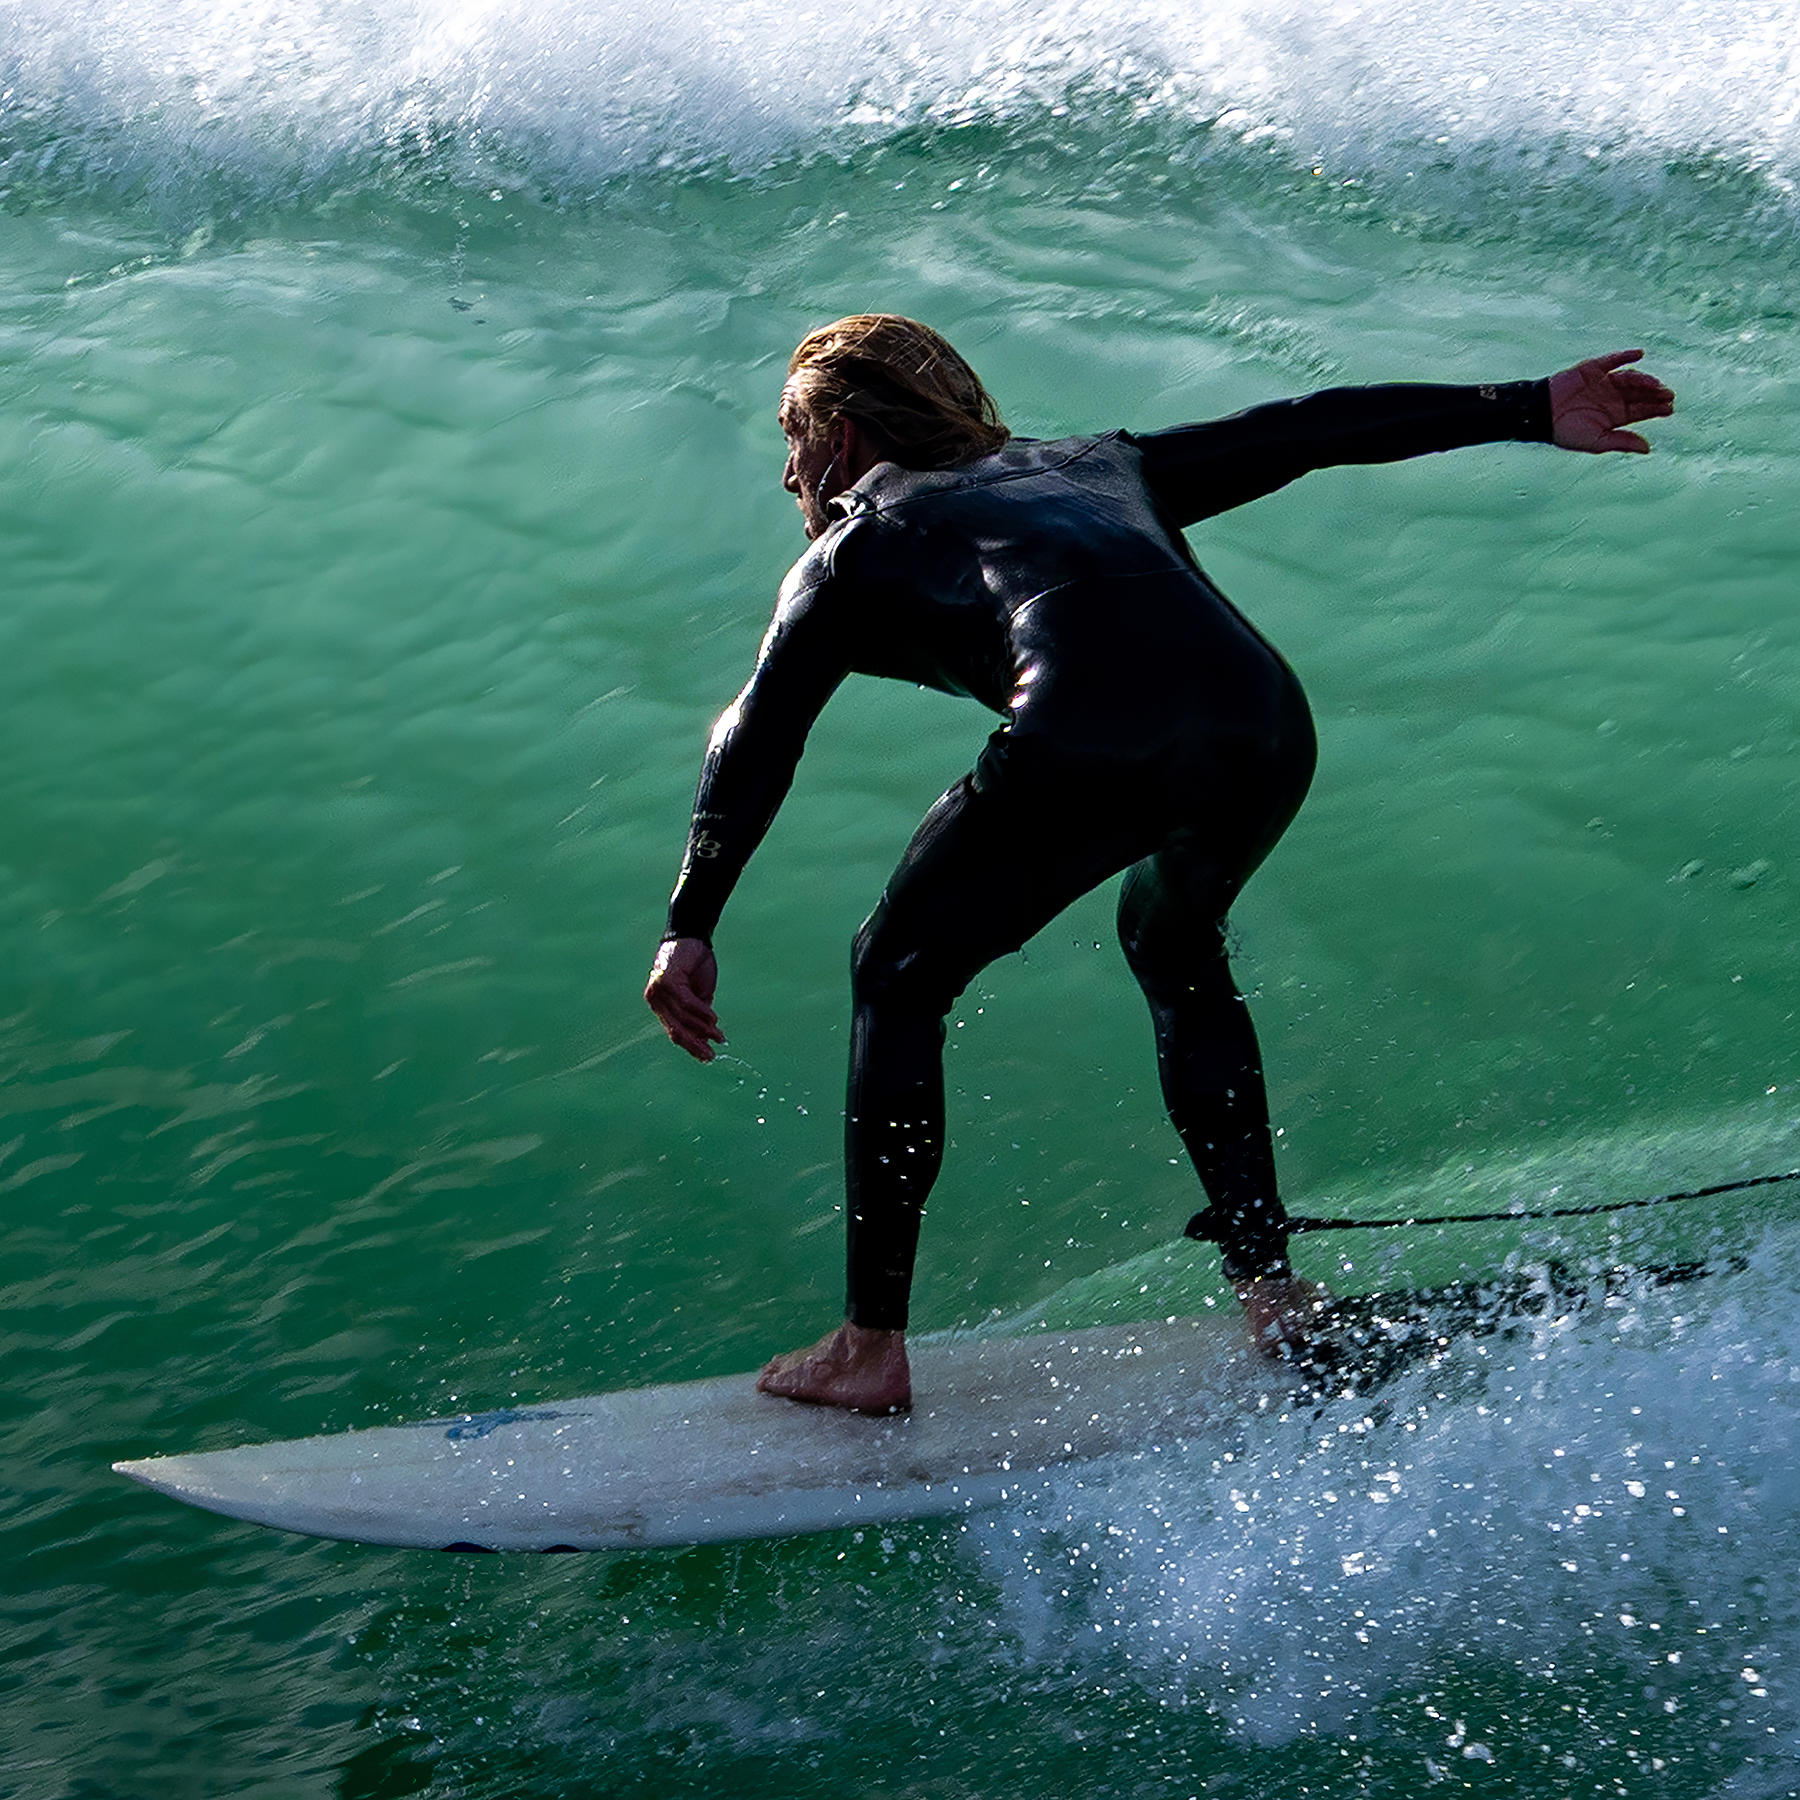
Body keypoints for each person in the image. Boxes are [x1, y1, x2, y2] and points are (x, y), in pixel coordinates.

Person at [645, 315, 1674, 1413]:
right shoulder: (1099, 465)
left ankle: (870, 1346)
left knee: (895, 971)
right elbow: (1301, 429)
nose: (786, 472)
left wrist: (690, 918)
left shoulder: (852, 546)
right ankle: (1272, 1291)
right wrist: (1527, 404)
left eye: (792, 442)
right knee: (1173, 943)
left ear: (842, 440)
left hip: (1090, 723)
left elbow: (757, 732)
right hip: (1261, 720)